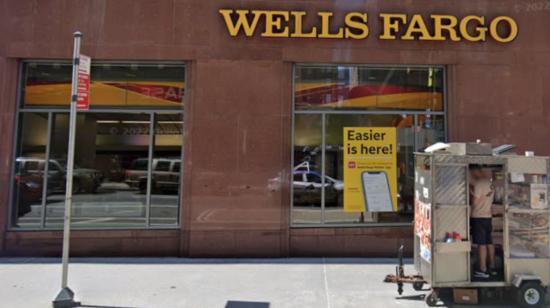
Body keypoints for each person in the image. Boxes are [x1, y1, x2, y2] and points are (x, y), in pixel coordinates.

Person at [470, 166, 496, 279]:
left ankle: (483, 269)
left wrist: (471, 194)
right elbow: (486, 197)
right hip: (487, 216)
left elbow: (475, 202)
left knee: (481, 244)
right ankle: (492, 266)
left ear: (476, 171)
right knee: (489, 241)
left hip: (478, 216)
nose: (471, 174)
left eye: (472, 172)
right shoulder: (490, 183)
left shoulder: (479, 184)